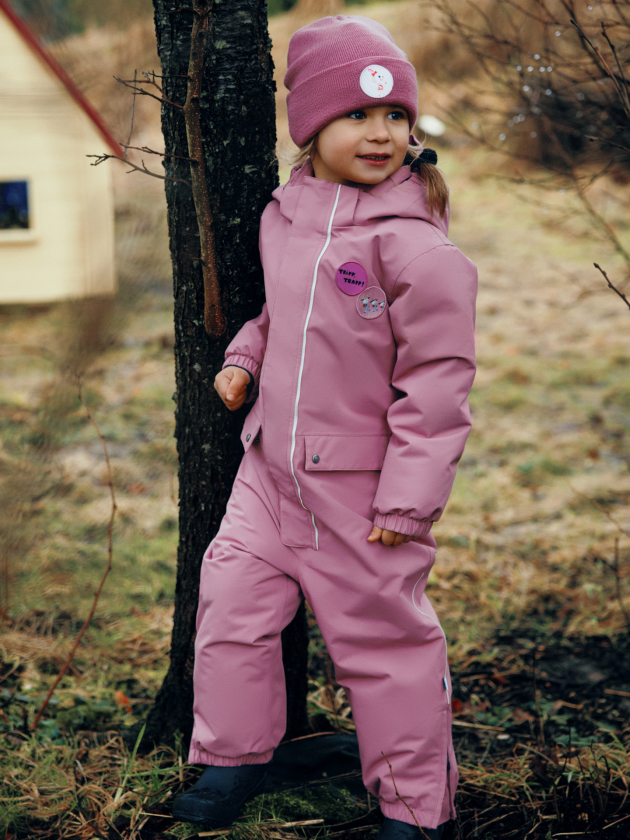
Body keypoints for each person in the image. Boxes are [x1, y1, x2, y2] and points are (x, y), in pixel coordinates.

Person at [172, 15, 477, 840]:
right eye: (356, 116)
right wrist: (244, 356)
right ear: (310, 126)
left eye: (395, 118)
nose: (381, 134)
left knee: (383, 648)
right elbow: (283, 316)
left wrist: (407, 503)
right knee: (230, 607)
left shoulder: (416, 252)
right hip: (269, 475)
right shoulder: (288, 215)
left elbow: (438, 386)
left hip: (361, 496)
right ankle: (235, 756)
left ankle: (415, 807)